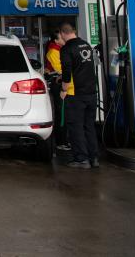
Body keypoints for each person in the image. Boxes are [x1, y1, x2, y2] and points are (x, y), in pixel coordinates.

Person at [59, 23, 99, 169]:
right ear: (73, 31)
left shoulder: (67, 48)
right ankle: (94, 158)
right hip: (91, 93)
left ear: (63, 33)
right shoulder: (86, 44)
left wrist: (64, 89)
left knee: (76, 127)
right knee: (89, 126)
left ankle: (82, 159)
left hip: (76, 95)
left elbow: (67, 71)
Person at [44, 32, 70, 151]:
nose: (64, 39)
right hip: (58, 84)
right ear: (56, 40)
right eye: (61, 38)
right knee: (62, 113)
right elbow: (60, 69)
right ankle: (61, 142)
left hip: (62, 83)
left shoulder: (60, 50)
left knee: (63, 112)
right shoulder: (53, 51)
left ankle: (63, 140)